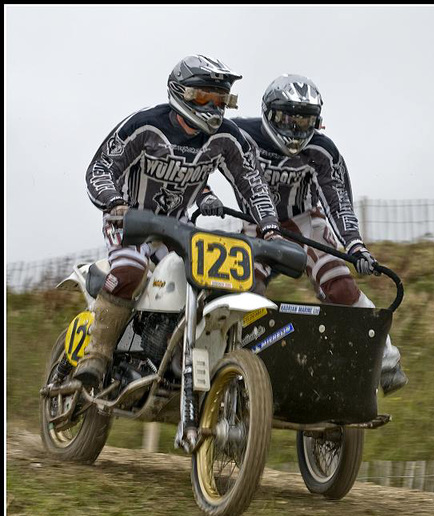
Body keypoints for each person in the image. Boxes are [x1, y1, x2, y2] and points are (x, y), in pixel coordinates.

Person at [74, 55, 282, 389]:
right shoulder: (145, 126)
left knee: (211, 282)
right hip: (130, 223)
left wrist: (270, 227)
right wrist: (115, 203)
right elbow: (101, 169)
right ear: (179, 92)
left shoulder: (227, 138)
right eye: (204, 97)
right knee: (129, 271)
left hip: (178, 228)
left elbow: (252, 183)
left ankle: (181, 356)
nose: (214, 106)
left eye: (221, 99)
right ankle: (96, 356)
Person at [228, 74, 408, 395]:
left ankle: (386, 358)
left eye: (305, 120)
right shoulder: (240, 134)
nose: (296, 129)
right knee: (247, 292)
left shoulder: (322, 151)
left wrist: (356, 247)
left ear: (318, 122)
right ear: (269, 113)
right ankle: (241, 359)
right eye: (288, 118)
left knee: (340, 286)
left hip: (306, 223)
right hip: (255, 224)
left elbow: (338, 201)